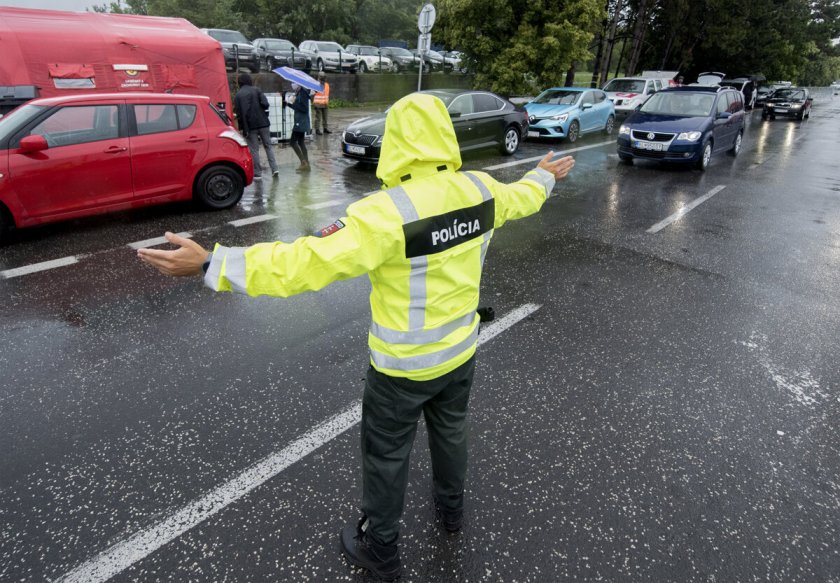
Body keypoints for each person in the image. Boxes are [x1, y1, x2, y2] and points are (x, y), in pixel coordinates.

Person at [137, 93, 575, 581]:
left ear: (397, 142)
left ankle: (381, 548)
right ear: (443, 136)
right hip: (461, 352)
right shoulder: (481, 188)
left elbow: (304, 261)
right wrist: (544, 175)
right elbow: (524, 197)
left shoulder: (384, 213)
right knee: (451, 432)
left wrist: (212, 263)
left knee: (388, 455)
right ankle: (452, 513)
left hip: (400, 369)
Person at [233, 72, 279, 179]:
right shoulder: (257, 90)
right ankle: (275, 169)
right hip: (263, 123)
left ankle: (257, 173)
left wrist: (243, 129)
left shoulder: (238, 95)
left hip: (250, 127)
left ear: (240, 83)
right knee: (268, 146)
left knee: (254, 150)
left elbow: (239, 114)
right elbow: (266, 104)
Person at [287, 82, 312, 172]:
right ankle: (307, 164)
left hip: (300, 122)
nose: (292, 85)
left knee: (292, 142)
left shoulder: (303, 93)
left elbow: (304, 109)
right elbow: (298, 107)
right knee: (301, 142)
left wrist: (294, 104)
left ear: (298, 85)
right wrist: (289, 104)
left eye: (294, 83)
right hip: (300, 121)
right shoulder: (299, 93)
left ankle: (303, 162)